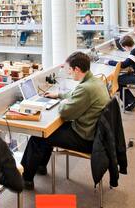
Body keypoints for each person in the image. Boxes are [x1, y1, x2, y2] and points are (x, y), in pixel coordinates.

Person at [21, 51, 110, 189]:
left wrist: (61, 103)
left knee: (38, 137)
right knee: (49, 132)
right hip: (94, 133)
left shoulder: (86, 88)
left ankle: (25, 179)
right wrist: (59, 95)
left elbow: (65, 113)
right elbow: (75, 94)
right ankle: (40, 166)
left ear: (77, 69)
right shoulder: (94, 81)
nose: (68, 73)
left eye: (69, 70)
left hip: (86, 138)